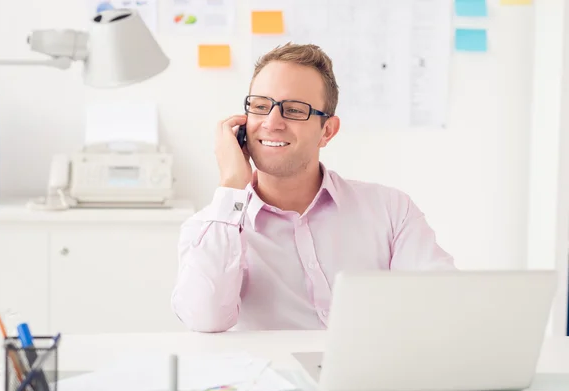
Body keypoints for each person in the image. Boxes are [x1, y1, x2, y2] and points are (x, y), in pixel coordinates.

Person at [171, 43, 455, 333]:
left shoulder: (391, 211)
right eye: (259, 107)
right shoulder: (211, 228)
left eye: (294, 110)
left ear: (327, 131)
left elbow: (443, 305)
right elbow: (204, 320)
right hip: (270, 377)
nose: (271, 123)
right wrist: (231, 185)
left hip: (370, 375)